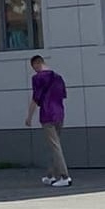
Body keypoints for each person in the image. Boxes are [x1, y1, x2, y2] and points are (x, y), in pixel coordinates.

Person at [26, 54, 70, 187]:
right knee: (54, 145)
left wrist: (29, 117)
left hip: (47, 114)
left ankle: (64, 176)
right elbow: (63, 95)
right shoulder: (58, 77)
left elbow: (35, 99)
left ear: (36, 64)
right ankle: (51, 175)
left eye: (33, 67)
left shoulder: (37, 78)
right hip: (59, 113)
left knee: (55, 146)